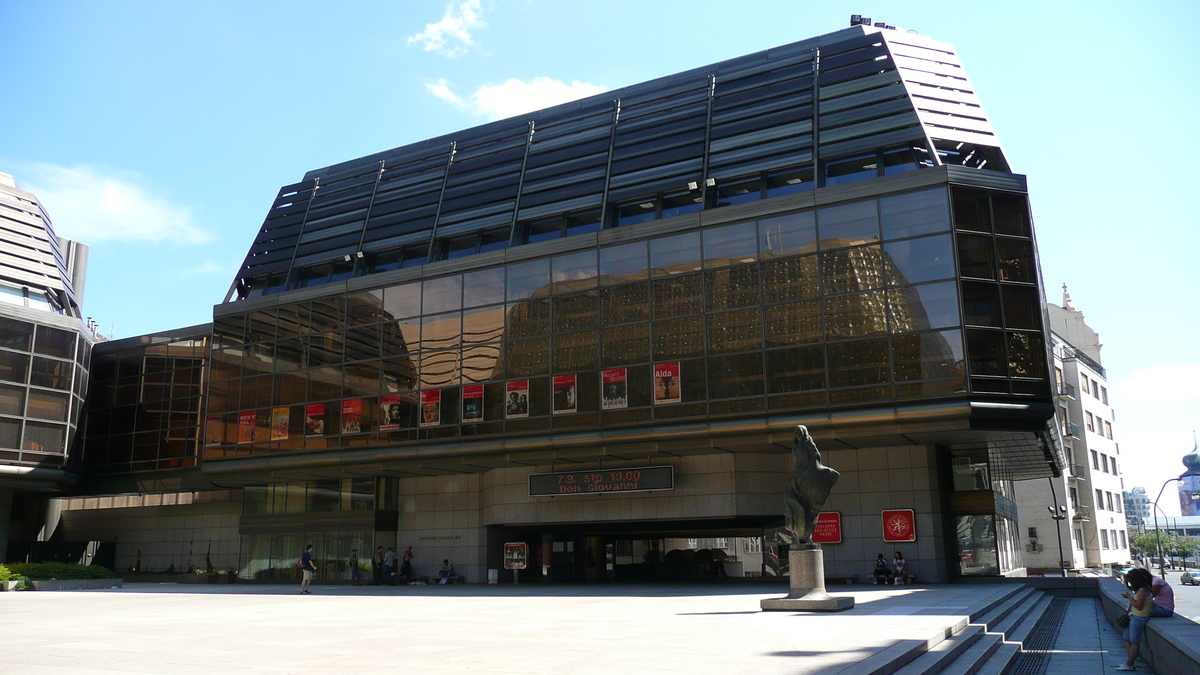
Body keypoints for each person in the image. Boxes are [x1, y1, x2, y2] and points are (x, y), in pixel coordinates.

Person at [1117, 568, 1154, 671]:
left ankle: (1129, 664)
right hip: (1135, 616)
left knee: (1134, 641)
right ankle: (1131, 659)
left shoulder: (1142, 590)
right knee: (1126, 637)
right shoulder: (1145, 588)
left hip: (1139, 617)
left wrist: (1128, 597)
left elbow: (1139, 606)